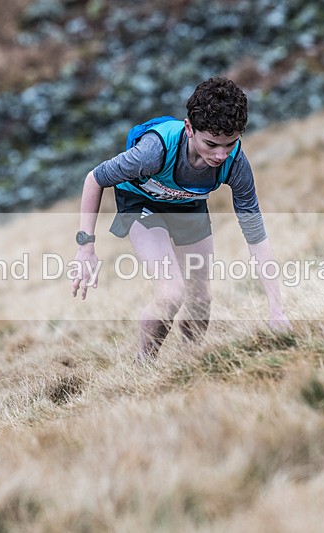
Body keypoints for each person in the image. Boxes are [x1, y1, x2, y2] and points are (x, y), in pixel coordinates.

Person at [72, 77, 289, 360]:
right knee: (171, 294)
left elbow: (256, 236)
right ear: (189, 128)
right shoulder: (152, 153)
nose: (221, 155)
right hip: (141, 205)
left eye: (230, 144)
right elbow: (94, 179)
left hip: (188, 205)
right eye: (211, 144)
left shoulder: (236, 164)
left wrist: (277, 310)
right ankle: (144, 366)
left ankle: (191, 362)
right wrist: (85, 247)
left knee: (201, 299)